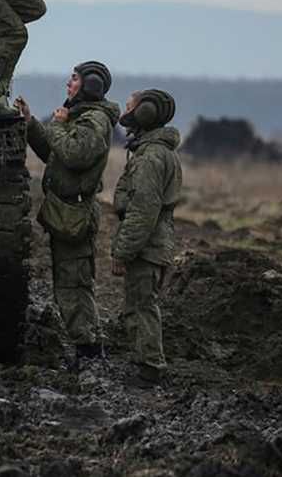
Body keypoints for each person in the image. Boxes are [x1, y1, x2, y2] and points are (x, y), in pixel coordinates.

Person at [16, 61, 119, 367]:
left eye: (74, 80)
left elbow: (75, 155)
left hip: (74, 213)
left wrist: (58, 124)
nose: (68, 84)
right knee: (69, 282)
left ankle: (88, 352)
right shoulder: (82, 117)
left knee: (74, 284)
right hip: (65, 210)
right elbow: (54, 153)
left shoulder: (94, 122)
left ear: (89, 86)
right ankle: (86, 347)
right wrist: (32, 123)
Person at [110, 89, 182, 385]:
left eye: (130, 107)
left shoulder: (151, 157)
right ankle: (145, 364)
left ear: (145, 113)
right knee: (141, 304)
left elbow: (143, 210)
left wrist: (122, 251)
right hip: (154, 242)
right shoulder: (156, 152)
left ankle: (150, 369)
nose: (126, 113)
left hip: (148, 246)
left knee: (142, 306)